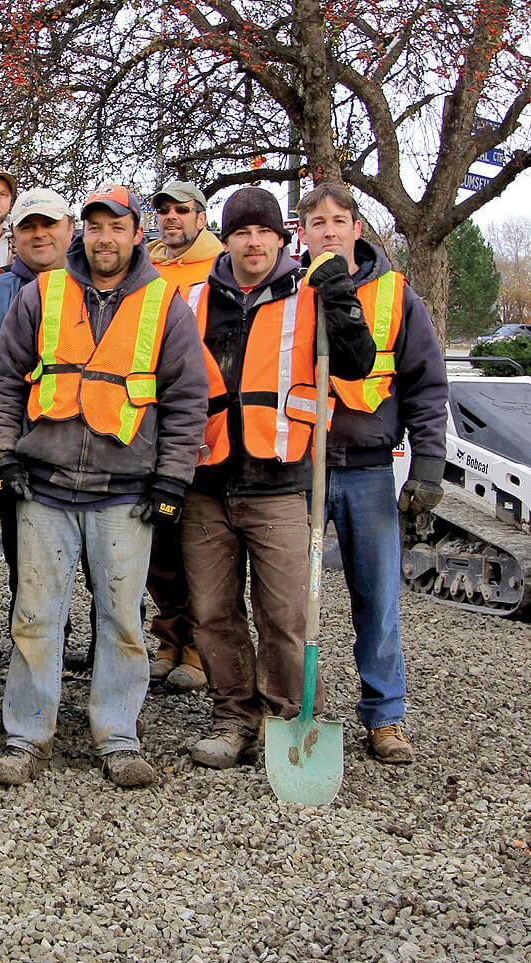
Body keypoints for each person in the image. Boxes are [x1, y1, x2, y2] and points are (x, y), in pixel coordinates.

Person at [0, 183, 208, 789]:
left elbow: (188, 401)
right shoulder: (43, 294)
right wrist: (3, 452)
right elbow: (4, 379)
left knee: (122, 622)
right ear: (83, 231)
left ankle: (118, 737)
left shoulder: (166, 304)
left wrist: (172, 480)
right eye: (95, 225)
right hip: (44, 485)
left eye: (117, 227)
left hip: (126, 492)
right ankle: (27, 735)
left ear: (138, 234)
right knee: (35, 616)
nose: (105, 238)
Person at [183, 187, 376, 769]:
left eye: (263, 231)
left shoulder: (311, 296)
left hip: (284, 479)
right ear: (226, 237)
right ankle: (232, 718)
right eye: (240, 231)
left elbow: (357, 362)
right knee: (213, 613)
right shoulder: (190, 300)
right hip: (207, 479)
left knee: (285, 615)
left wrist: (342, 300)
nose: (253, 241)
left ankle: (283, 718)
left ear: (281, 236)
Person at [299, 182, 448, 764]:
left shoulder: (395, 294)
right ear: (303, 233)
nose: (329, 230)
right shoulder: (290, 292)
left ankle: (384, 717)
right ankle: (285, 705)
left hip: (365, 468)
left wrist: (428, 467)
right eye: (317, 222)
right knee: (290, 599)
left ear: (357, 228)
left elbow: (426, 384)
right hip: (298, 466)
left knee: (378, 598)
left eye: (339, 219)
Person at [0, 188, 76, 711]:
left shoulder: (89, 293)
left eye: (48, 225)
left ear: (68, 229)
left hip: (60, 458)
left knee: (45, 570)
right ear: (13, 236)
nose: (38, 235)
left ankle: (42, 670)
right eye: (27, 227)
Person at [144, 179, 224, 692]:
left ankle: (198, 646)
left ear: (200, 216)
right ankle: (169, 636)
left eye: (182, 210)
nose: (171, 218)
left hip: (202, 419)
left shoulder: (220, 268)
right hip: (148, 419)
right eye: (164, 210)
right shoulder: (147, 268)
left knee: (199, 544)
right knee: (159, 548)